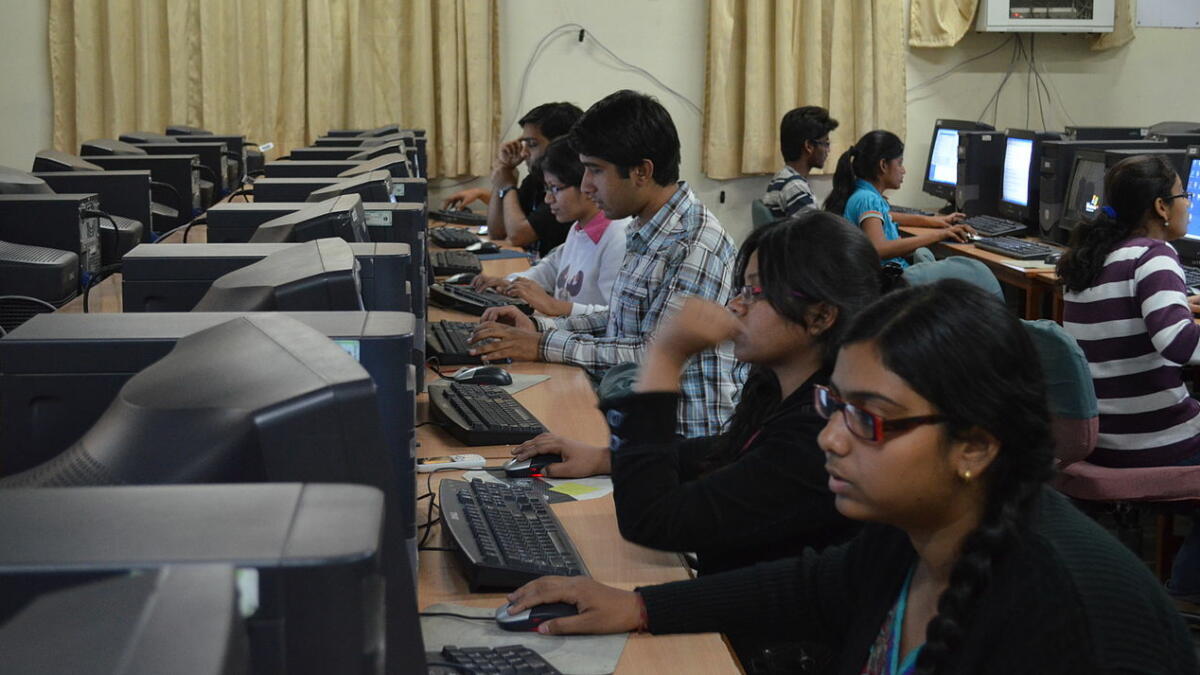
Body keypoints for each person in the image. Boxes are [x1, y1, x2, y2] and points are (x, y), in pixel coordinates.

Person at [502, 281, 1199, 675]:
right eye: (833, 403)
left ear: (975, 445)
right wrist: (643, 607)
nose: (830, 436)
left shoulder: (1063, 616)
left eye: (870, 419)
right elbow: (809, 584)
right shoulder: (919, 531)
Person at [469, 90, 743, 438]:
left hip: (681, 441)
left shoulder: (692, 244)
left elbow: (654, 352)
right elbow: (620, 319)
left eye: (595, 171)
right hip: (632, 415)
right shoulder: (645, 225)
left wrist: (542, 346)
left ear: (642, 171)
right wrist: (539, 327)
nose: (586, 186)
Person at [1057, 153, 1200, 600]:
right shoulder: (1156, 256)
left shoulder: (1091, 258)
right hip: (1150, 443)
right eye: (1184, 194)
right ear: (1161, 207)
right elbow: (1179, 345)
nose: (1188, 204)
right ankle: (1185, 592)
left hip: (1100, 438)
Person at [470, 137, 629, 317]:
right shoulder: (579, 228)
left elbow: (617, 318)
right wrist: (510, 282)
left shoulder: (618, 239)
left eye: (555, 188)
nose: (547, 199)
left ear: (587, 185)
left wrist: (556, 306)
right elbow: (552, 267)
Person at [442, 102, 582, 256]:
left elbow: (517, 235)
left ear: (559, 144)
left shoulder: (567, 190)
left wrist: (508, 185)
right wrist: (503, 169)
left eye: (532, 144)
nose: (523, 153)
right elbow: (497, 231)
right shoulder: (534, 182)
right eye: (524, 144)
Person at [824, 130, 973, 267]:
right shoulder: (869, 199)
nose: (904, 170)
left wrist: (937, 221)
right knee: (972, 271)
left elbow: (888, 216)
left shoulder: (859, 191)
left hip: (885, 276)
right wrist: (939, 235)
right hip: (890, 282)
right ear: (883, 165)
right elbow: (879, 248)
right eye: (900, 163)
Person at [761, 106, 838, 218]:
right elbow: (816, 234)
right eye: (826, 143)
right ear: (809, 146)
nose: (828, 150)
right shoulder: (795, 187)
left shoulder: (783, 177)